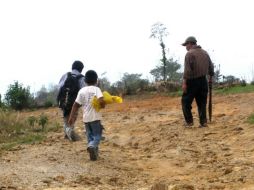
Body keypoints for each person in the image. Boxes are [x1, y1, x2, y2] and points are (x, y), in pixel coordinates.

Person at [68, 70, 105, 161]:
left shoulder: (81, 91)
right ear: (96, 81)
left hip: (86, 119)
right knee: (97, 135)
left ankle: (94, 154)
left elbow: (75, 105)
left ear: (85, 81)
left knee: (90, 136)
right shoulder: (97, 89)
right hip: (95, 118)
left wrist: (71, 117)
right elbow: (101, 101)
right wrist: (103, 104)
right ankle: (92, 146)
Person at [181, 36, 214, 128]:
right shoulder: (205, 53)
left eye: (186, 45)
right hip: (203, 81)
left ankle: (189, 122)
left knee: (185, 102)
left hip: (192, 81)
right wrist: (210, 77)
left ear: (190, 43)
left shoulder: (189, 54)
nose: (186, 47)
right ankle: (203, 122)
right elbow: (211, 67)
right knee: (202, 103)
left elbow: (187, 70)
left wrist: (184, 83)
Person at [57, 60, 86, 141]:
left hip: (64, 100)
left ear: (72, 67)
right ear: (81, 69)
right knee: (73, 116)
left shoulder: (65, 75)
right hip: (74, 102)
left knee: (65, 116)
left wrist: (61, 99)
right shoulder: (82, 78)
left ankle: (67, 133)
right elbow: (83, 91)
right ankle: (70, 132)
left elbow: (59, 87)